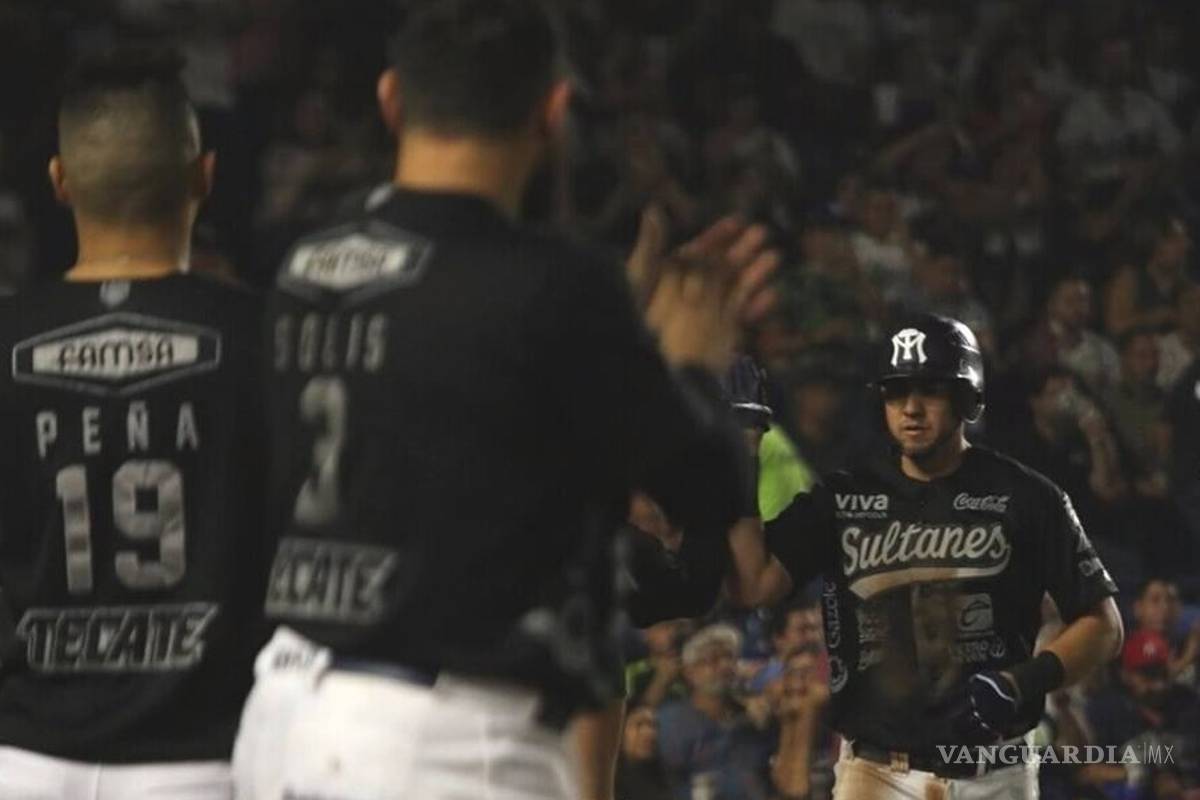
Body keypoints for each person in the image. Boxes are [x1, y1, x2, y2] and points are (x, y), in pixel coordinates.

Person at [231, 2, 775, 800]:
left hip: (285, 711)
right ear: (552, 112)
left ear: (391, 100)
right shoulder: (552, 282)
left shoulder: (306, 267)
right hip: (445, 736)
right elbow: (704, 486)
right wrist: (688, 364)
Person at [0, 49, 265, 799]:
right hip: (200, 760)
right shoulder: (268, 338)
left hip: (19, 757)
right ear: (204, 177)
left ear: (60, 182)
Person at [726, 313, 1124, 799]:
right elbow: (754, 584)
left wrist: (1023, 681)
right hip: (875, 772)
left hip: (996, 771)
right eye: (896, 392)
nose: (911, 408)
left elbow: (1104, 625)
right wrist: (742, 451)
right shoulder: (842, 497)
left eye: (931, 390)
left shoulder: (1027, 496)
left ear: (968, 399)